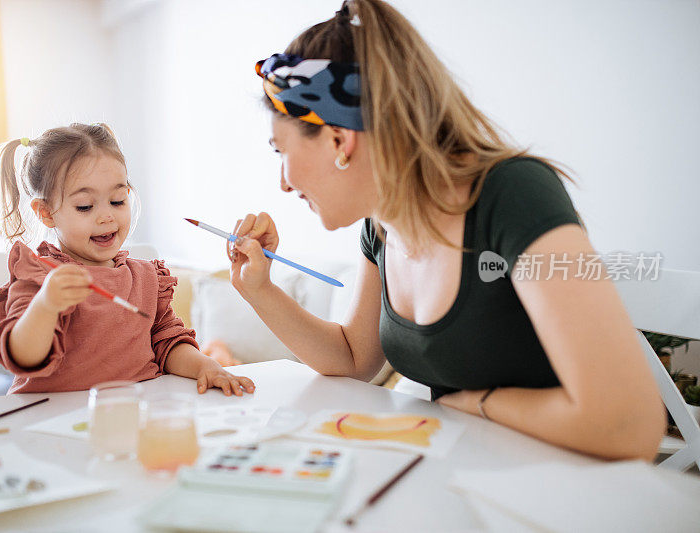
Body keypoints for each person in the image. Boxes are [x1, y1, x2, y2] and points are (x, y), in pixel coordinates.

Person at [228, 0, 664, 459]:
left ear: (340, 139)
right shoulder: (380, 225)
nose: (283, 182)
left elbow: (627, 423)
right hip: (467, 475)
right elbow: (354, 359)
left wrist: (478, 404)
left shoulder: (512, 195)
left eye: (281, 150)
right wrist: (259, 289)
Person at [0, 122, 255, 396]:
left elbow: (168, 344)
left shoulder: (146, 278)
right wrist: (46, 304)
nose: (107, 217)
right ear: (45, 212)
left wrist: (205, 367)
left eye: (117, 201)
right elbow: (22, 357)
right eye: (85, 206)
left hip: (130, 418)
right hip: (48, 423)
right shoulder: (40, 275)